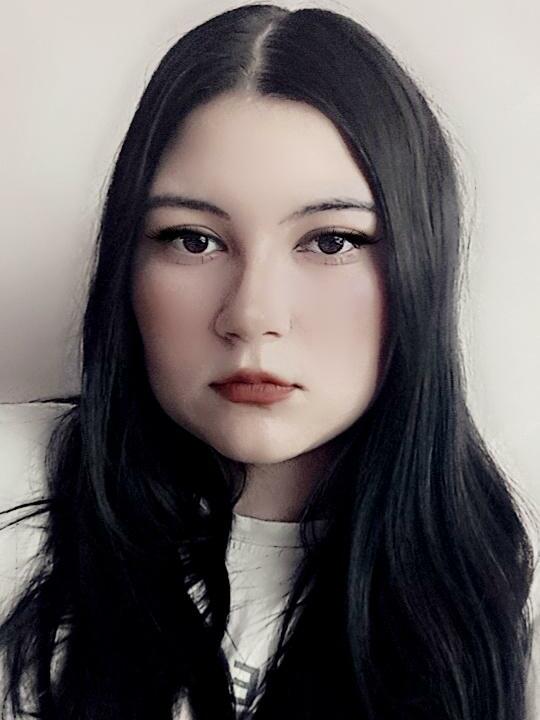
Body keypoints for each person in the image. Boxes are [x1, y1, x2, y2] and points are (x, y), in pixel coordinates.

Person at [0, 3, 538, 719]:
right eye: (193, 239)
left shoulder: (511, 588)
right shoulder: (11, 488)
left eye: (332, 241)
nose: (252, 314)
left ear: (421, 266)